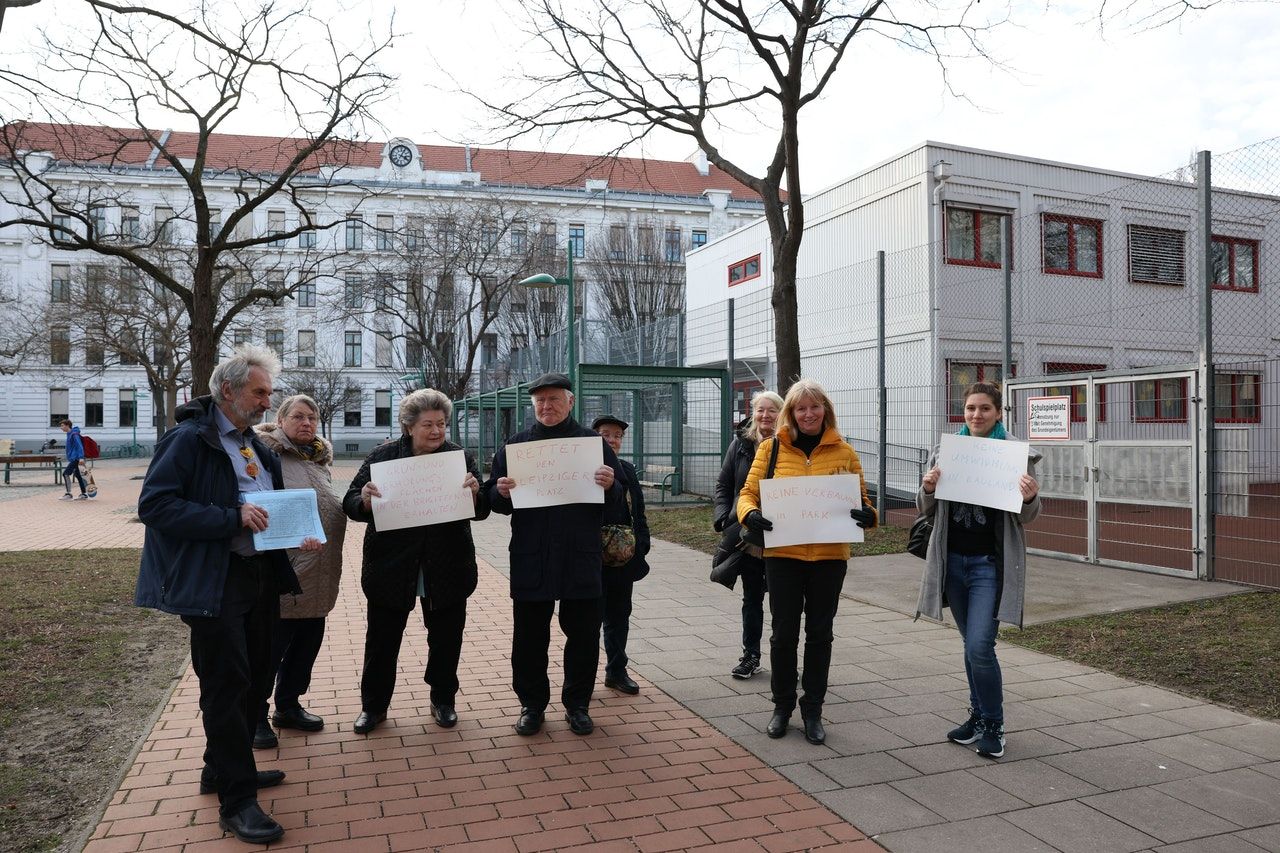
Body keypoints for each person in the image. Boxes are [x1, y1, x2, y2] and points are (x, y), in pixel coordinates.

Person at [135, 344, 322, 845]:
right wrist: (228, 518)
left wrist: (294, 529)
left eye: (268, 392)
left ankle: (219, 769)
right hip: (214, 581)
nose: (268, 401)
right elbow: (155, 506)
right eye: (260, 392)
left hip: (259, 576)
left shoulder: (255, 446)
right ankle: (237, 802)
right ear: (229, 391)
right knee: (226, 685)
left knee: (257, 675)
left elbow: (268, 508)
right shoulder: (189, 441)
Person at [481, 373, 623, 737]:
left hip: (581, 555)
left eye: (554, 400)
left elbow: (621, 496)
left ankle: (577, 705)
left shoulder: (593, 444)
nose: (547, 406)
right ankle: (532, 704)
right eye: (540, 401)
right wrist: (501, 492)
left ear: (570, 402)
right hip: (532, 554)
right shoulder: (517, 446)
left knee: (583, 635)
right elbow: (493, 501)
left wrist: (611, 485)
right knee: (529, 636)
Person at [737, 378, 877, 745]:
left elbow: (863, 500)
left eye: (815, 407)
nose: (809, 413)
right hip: (783, 555)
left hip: (830, 557)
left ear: (825, 411)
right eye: (801, 408)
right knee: (783, 634)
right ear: (791, 413)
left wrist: (868, 515)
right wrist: (749, 514)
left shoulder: (844, 452)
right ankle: (782, 706)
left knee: (820, 635)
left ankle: (812, 708)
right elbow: (747, 494)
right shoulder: (771, 449)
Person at [344, 388, 489, 735]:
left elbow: (482, 510)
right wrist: (364, 500)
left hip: (447, 565)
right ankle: (374, 707)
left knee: (446, 640)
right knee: (382, 641)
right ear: (409, 427)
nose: (437, 431)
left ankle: (443, 699)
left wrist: (475, 495)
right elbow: (349, 501)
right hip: (391, 566)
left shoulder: (459, 457)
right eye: (428, 424)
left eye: (442, 424)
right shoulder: (383, 457)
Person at [916, 381, 1041, 760]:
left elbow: (1028, 517)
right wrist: (928, 487)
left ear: (999, 412)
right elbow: (926, 510)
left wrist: (1030, 496)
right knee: (971, 647)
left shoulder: (1016, 455)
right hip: (952, 564)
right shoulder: (946, 452)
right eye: (970, 408)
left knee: (980, 647)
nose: (976, 415)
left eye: (985, 408)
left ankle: (994, 723)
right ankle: (976, 717)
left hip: (988, 566)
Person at [251, 394, 348, 748]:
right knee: (270, 648)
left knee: (306, 645)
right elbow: (260, 504)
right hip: (287, 571)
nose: (306, 423)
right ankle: (255, 715)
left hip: (320, 571)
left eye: (312, 418)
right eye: (298, 417)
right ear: (280, 420)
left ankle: (288, 705)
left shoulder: (319, 458)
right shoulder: (267, 454)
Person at [712, 390, 783, 679]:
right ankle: (750, 656)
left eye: (772, 410)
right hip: (747, 535)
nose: (766, 416)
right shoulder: (740, 445)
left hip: (784, 535)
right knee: (752, 597)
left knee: (784, 602)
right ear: (753, 413)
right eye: (760, 410)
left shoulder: (790, 444)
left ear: (782, 413)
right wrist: (722, 517)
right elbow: (724, 484)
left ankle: (784, 658)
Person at [591, 415, 651, 695]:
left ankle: (616, 671)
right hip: (590, 559)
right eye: (606, 434)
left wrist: (642, 545)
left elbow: (637, 511)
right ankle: (583, 677)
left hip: (622, 558)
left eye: (617, 435)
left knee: (619, 616)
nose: (612, 440)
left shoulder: (627, 470)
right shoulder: (582, 470)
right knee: (589, 621)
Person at [58, 419, 89, 500]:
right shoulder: (69, 434)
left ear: (67, 425)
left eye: (62, 425)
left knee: (66, 473)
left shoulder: (74, 434)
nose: (61, 427)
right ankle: (84, 494)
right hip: (74, 458)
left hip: (77, 458)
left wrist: (81, 457)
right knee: (78, 475)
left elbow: (79, 446)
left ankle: (68, 494)